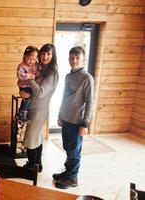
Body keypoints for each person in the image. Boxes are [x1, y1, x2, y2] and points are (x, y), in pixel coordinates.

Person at [53, 46, 94, 189]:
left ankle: (73, 177)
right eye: (71, 57)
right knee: (67, 148)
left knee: (75, 150)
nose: (74, 60)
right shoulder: (68, 76)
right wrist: (60, 114)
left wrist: (85, 124)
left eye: (77, 58)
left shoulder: (87, 78)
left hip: (77, 121)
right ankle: (68, 171)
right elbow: (64, 97)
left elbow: (90, 101)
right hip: (66, 119)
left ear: (83, 59)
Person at [22, 44, 59, 172]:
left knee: (30, 139)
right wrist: (24, 92)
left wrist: (30, 80)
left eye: (48, 54)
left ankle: (31, 167)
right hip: (34, 108)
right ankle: (38, 165)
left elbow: (41, 92)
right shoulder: (40, 69)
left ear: (53, 56)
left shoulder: (52, 73)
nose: (45, 56)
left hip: (39, 110)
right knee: (36, 137)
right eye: (43, 53)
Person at [17, 46, 40, 121]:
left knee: (31, 99)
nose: (32, 61)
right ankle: (22, 114)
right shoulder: (22, 66)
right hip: (24, 86)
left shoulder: (35, 64)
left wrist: (37, 75)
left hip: (31, 86)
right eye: (30, 59)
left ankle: (25, 112)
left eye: (34, 59)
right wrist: (29, 76)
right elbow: (19, 75)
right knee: (26, 98)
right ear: (24, 57)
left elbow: (37, 72)